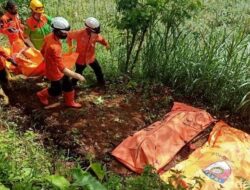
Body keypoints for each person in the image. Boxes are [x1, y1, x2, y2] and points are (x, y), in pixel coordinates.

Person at [37, 17, 85, 108]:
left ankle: (70, 102)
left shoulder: (49, 36)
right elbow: (62, 69)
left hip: (55, 65)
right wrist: (77, 75)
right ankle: (41, 94)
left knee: (67, 83)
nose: (66, 34)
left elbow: (42, 51)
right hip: (53, 71)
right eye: (64, 32)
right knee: (56, 90)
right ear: (57, 31)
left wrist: (49, 59)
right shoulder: (54, 47)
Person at [67, 17, 109, 87]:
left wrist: (106, 44)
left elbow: (101, 39)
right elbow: (69, 35)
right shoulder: (79, 33)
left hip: (91, 57)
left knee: (98, 69)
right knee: (78, 72)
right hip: (80, 58)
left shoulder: (95, 35)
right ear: (89, 28)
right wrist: (70, 47)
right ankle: (72, 85)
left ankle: (101, 83)